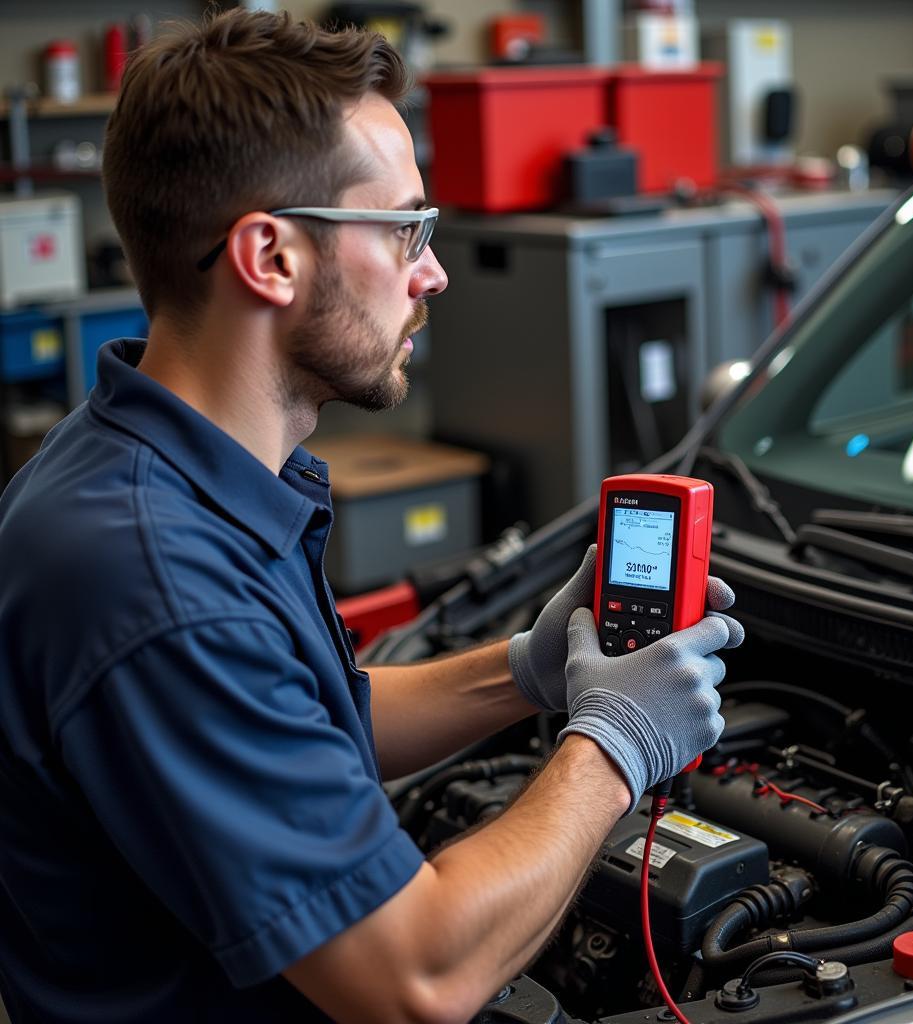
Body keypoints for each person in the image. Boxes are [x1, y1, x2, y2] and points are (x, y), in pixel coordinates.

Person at [0, 10, 743, 1024]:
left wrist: (529, 667)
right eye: (403, 228)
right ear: (271, 257)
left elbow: (310, 709)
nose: (430, 270)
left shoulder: (151, 470)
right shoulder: (152, 577)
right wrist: (615, 742)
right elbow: (412, 977)